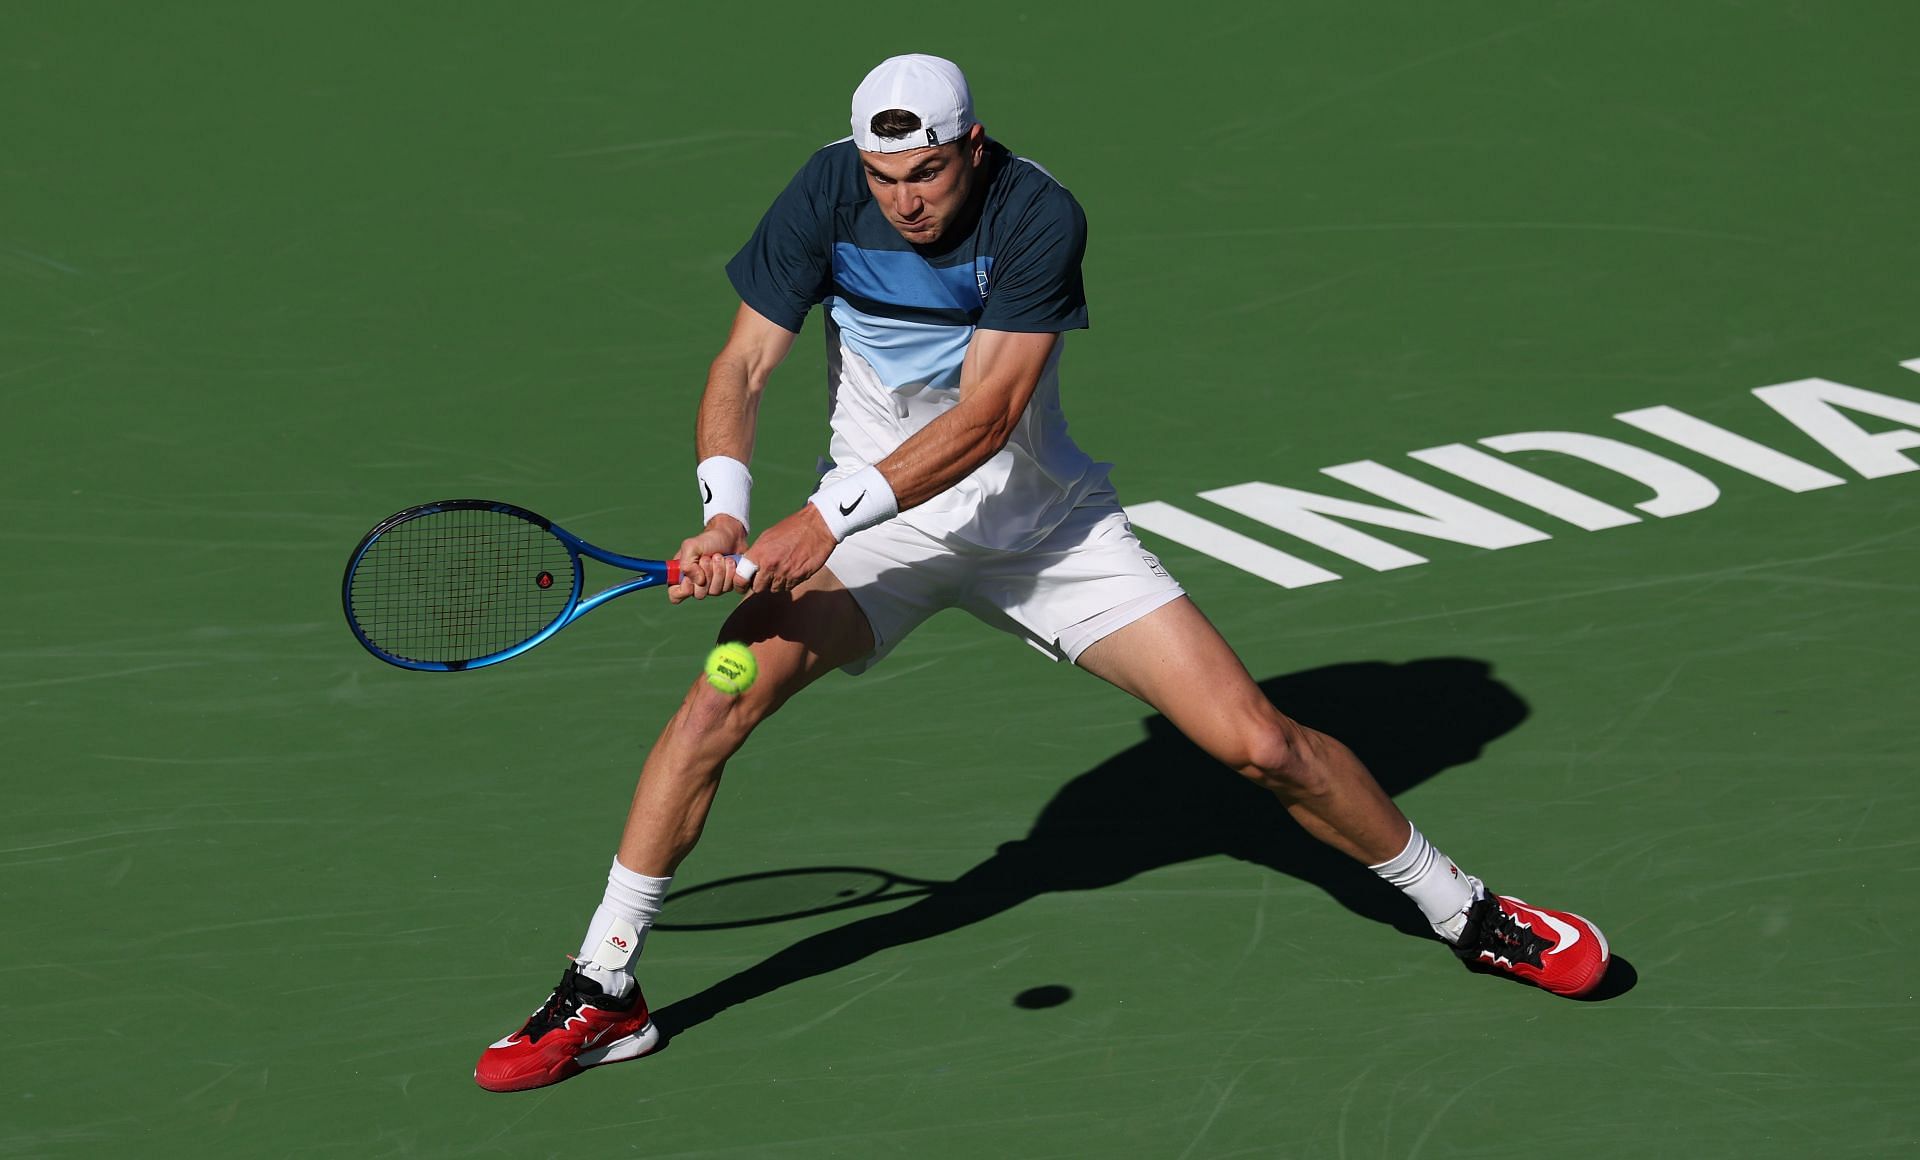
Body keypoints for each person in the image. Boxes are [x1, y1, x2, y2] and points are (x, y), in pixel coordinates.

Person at [474, 54, 1610, 1094]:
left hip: (1044, 533)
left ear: (972, 149)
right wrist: (725, 512)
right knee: (716, 702)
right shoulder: (824, 193)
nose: (903, 200)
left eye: (925, 173)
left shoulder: (1036, 214)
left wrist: (819, 518)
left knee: (1260, 743)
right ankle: (604, 986)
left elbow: (988, 416)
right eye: (883, 176)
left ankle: (1468, 913)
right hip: (879, 535)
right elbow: (744, 360)